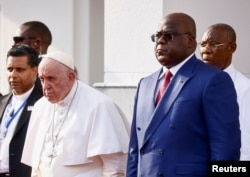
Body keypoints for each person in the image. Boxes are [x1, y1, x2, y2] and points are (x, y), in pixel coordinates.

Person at [126, 12, 241, 177]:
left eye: (169, 35)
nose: (160, 41)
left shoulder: (213, 80)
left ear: (190, 41)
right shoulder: (145, 84)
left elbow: (225, 149)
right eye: (157, 36)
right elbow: (134, 151)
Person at [21, 51, 130, 177]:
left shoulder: (100, 106)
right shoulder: (40, 106)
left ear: (70, 77)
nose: (45, 86)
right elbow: (37, 160)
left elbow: (115, 166)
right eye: (42, 79)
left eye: (51, 78)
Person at [200, 23, 250, 160]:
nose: (206, 50)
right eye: (203, 44)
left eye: (214, 44)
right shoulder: (193, 84)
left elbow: (245, 142)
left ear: (232, 47)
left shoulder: (245, 88)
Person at [0, 44, 43, 177]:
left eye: (20, 69)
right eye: (9, 69)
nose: (13, 75)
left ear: (34, 70)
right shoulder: (2, 101)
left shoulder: (44, 103)